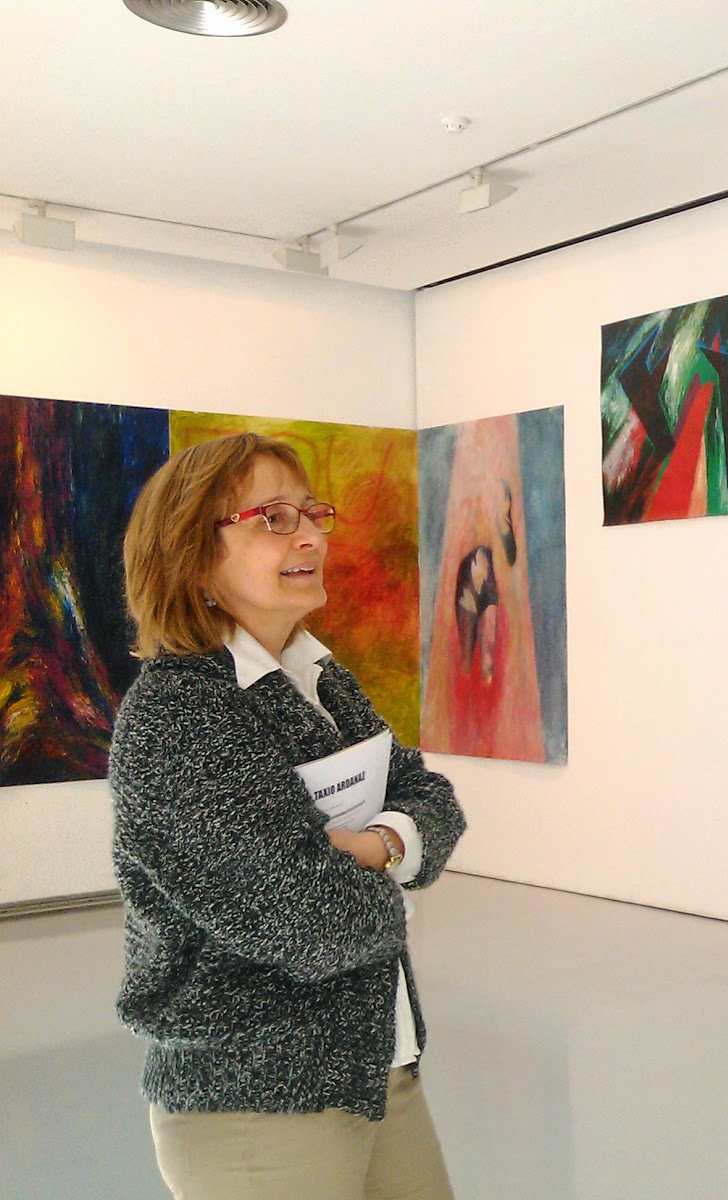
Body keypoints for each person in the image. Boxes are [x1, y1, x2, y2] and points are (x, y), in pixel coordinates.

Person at [110, 433, 467, 1200]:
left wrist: (375, 846)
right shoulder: (180, 713)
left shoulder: (320, 676)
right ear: (191, 554)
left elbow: (432, 798)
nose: (309, 535)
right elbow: (306, 918)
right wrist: (388, 880)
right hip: (256, 1101)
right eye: (272, 518)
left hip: (376, 1065)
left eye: (310, 512)